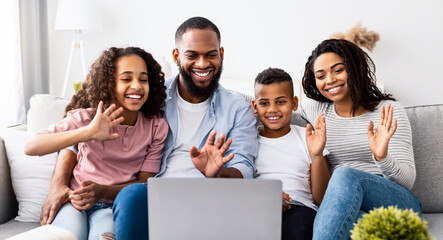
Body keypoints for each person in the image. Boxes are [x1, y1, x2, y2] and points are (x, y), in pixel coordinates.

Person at [40, 17, 258, 240]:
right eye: (192, 55)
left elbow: (244, 167)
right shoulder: (148, 94)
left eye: (211, 55)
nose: (202, 64)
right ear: (176, 56)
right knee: (132, 195)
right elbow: (84, 133)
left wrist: (218, 174)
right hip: (149, 198)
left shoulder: (237, 108)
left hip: (204, 198)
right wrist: (57, 184)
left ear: (221, 53)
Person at [25, 47, 168, 240]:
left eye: (143, 79)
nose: (137, 86)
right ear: (110, 84)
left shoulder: (155, 127)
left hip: (112, 205)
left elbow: (144, 183)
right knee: (68, 235)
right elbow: (32, 146)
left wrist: (102, 191)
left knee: (103, 237)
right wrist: (88, 132)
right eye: (126, 79)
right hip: (74, 202)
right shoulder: (87, 118)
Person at [298, 39, 421, 240]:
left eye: (338, 70)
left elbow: (407, 182)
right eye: (320, 76)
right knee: (358, 224)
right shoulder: (317, 109)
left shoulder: (388, 110)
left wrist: (382, 157)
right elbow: (272, 107)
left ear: (355, 68)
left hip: (397, 201)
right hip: (344, 204)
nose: (329, 80)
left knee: (345, 174)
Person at [252, 67, 330, 240]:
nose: (272, 109)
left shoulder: (307, 137)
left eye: (280, 102)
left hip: (300, 208)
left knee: (298, 231)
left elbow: (322, 198)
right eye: (264, 103)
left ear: (294, 103)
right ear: (254, 106)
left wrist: (316, 155)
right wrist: (263, 197)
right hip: (258, 205)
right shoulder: (247, 140)